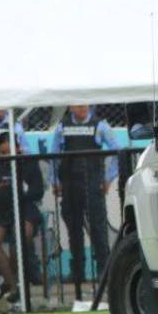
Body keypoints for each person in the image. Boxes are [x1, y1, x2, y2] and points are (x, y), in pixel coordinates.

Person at [50, 105, 121, 299]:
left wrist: (108, 177)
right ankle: (78, 272)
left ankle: (103, 272)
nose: (81, 108)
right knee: (74, 230)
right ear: (71, 106)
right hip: (70, 184)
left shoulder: (100, 125)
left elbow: (117, 151)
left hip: (93, 184)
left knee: (98, 229)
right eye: (77, 104)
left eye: (84, 104)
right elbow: (53, 156)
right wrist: (55, 181)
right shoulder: (62, 127)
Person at [0, 132, 44, 307]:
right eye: (3, 153)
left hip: (23, 205)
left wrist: (20, 187)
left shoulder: (28, 162)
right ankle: (13, 284)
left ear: (18, 148)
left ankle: (11, 283)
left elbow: (38, 191)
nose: (7, 156)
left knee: (20, 235)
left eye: (10, 152)